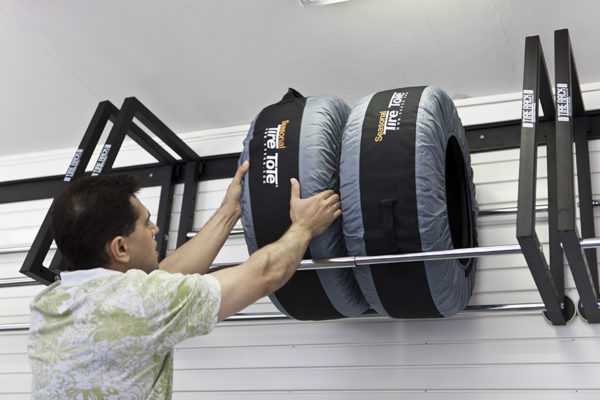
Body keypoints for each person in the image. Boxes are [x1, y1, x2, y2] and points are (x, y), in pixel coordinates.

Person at [27, 160, 342, 399]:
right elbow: (264, 275)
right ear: (120, 248)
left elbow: (159, 282)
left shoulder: (50, 301)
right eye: (146, 223)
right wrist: (304, 226)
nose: (155, 230)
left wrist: (228, 211)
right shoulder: (138, 302)